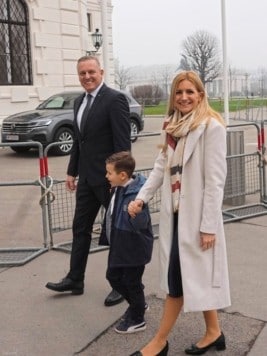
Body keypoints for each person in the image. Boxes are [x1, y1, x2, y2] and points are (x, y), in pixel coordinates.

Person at [128, 71, 231, 356]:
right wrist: (141, 198)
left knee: (178, 279)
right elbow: (161, 166)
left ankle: (159, 342)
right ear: (173, 97)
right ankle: (214, 332)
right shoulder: (171, 126)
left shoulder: (212, 127)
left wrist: (209, 225)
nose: (184, 97)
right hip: (176, 217)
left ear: (200, 95)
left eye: (190, 92)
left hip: (197, 219)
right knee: (190, 274)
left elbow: (215, 181)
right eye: (179, 92)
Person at [46, 55, 131, 307]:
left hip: (109, 181)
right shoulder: (79, 102)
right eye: (82, 73)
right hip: (86, 180)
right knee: (80, 229)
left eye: (91, 72)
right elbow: (79, 142)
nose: (87, 77)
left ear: (101, 72)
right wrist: (72, 171)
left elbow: (123, 146)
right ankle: (75, 279)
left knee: (116, 231)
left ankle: (121, 284)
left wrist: (120, 178)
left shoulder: (115, 100)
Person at [99, 151, 154, 334]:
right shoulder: (118, 188)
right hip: (119, 244)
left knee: (132, 282)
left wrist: (136, 211)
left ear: (122, 175)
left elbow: (141, 224)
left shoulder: (136, 196)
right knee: (113, 277)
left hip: (133, 248)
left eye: (109, 173)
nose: (106, 176)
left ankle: (137, 318)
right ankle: (138, 303)